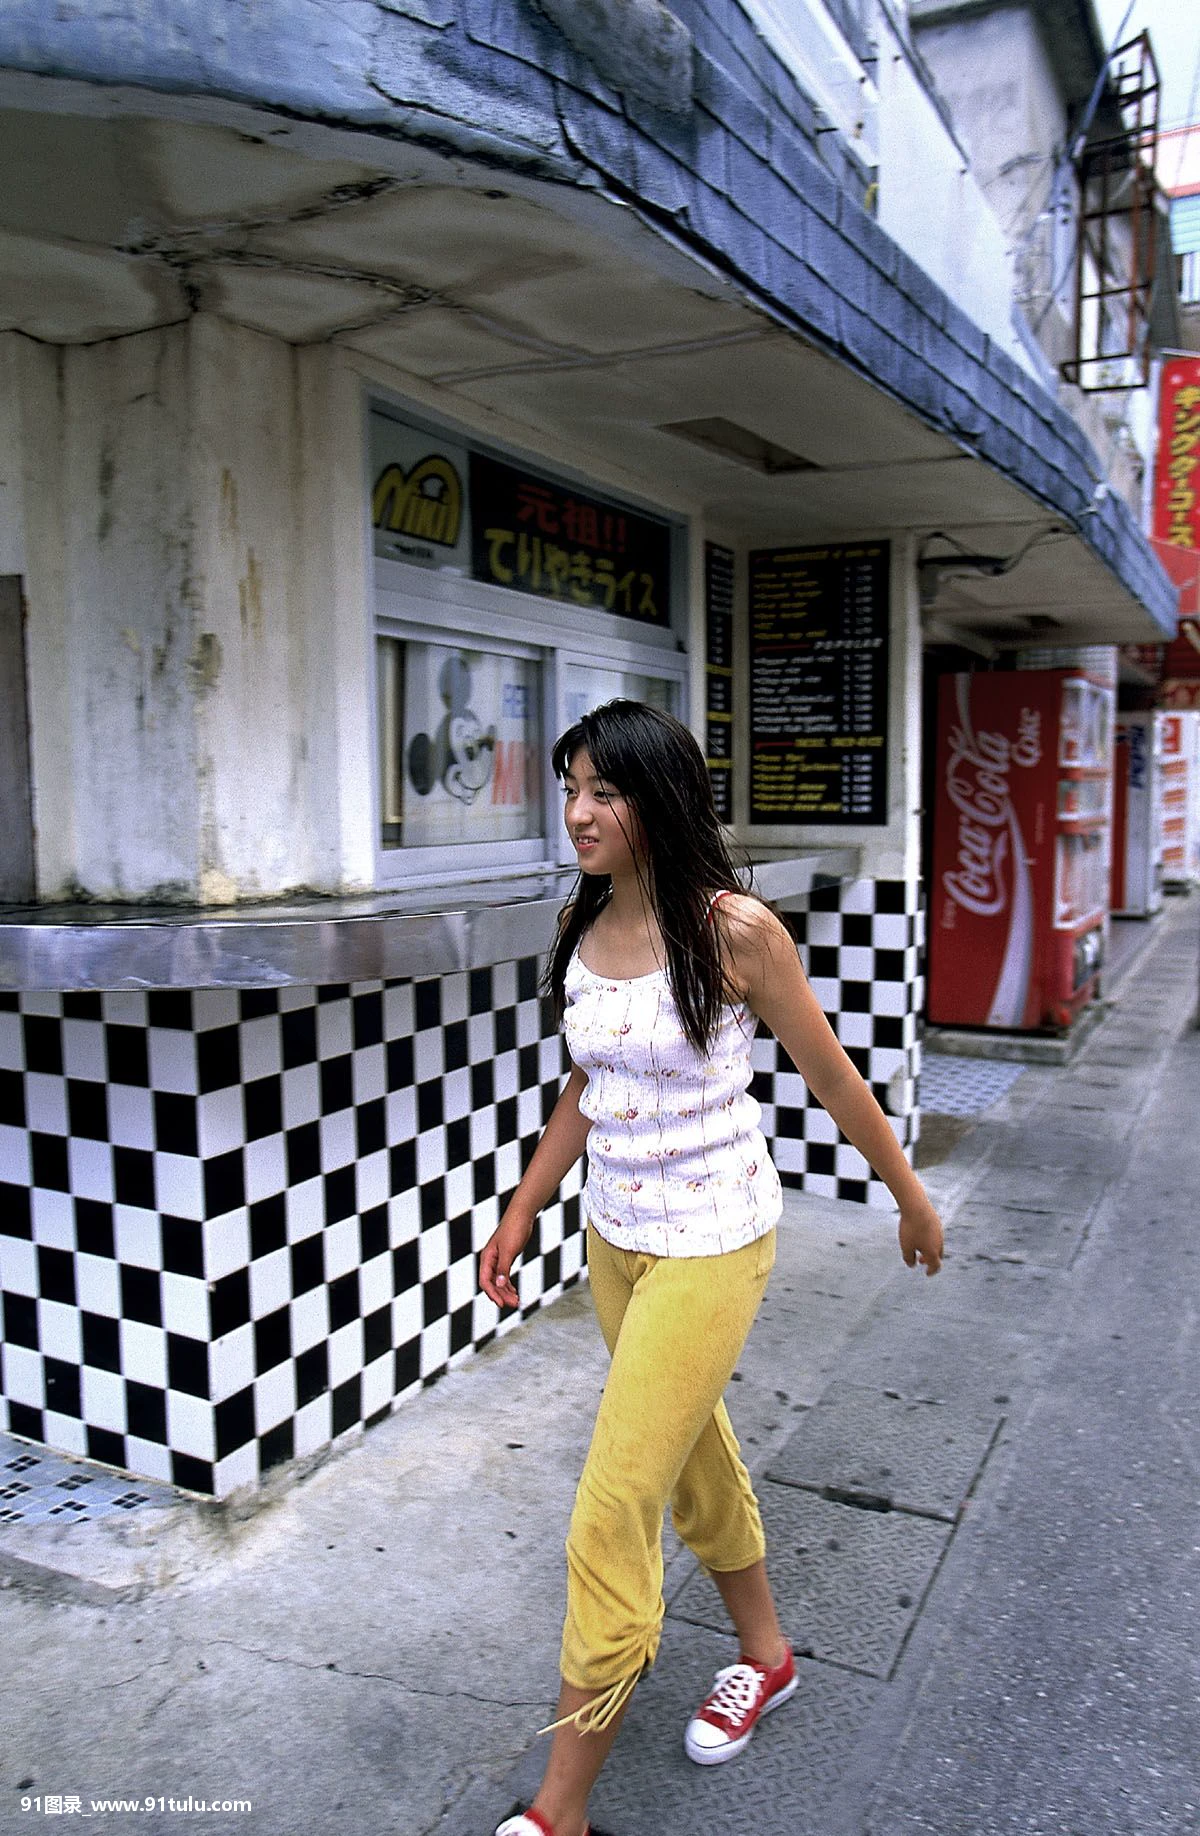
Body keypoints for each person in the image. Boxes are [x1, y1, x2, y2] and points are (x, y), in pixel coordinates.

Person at [479, 700, 944, 1836]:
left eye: (604, 791)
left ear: (661, 798)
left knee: (611, 1509)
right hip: (614, 1239)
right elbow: (591, 1084)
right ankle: (767, 1655)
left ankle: (559, 1811)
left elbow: (831, 1074)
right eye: (571, 788)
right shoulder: (584, 919)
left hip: (715, 1240)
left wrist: (908, 1194)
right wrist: (523, 1208)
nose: (579, 812)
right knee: (690, 1460)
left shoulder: (734, 931)